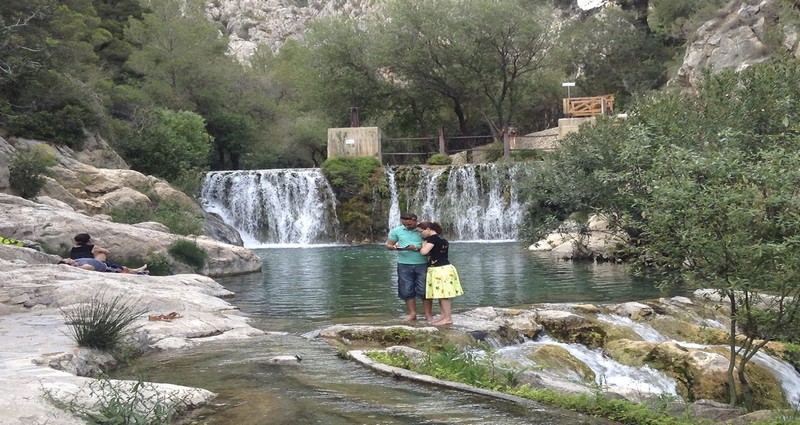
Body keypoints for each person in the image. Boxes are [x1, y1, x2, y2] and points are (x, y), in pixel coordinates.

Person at [386, 212, 433, 322]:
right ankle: (412, 314)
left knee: (425, 290)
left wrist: (415, 248)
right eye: (404, 224)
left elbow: (431, 244)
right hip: (403, 264)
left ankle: (428, 315)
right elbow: (389, 245)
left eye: (409, 224)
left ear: (415, 220)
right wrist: (394, 247)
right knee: (406, 289)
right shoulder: (397, 231)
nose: (407, 226)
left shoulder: (423, 230)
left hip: (422, 263)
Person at [417, 221, 463, 326]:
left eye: (421, 232)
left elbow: (424, 252)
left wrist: (423, 244)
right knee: (442, 295)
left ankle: (448, 318)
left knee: (444, 296)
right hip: (444, 268)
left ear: (428, 229)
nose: (420, 234)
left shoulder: (433, 238)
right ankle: (443, 317)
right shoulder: (441, 240)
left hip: (440, 270)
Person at [58, 257, 149, 274]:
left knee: (123, 267)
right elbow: (90, 267)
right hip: (106, 268)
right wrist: (76, 267)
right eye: (68, 260)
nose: (70, 258)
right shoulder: (80, 265)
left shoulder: (77, 261)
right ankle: (138, 272)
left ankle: (137, 270)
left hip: (103, 263)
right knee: (122, 269)